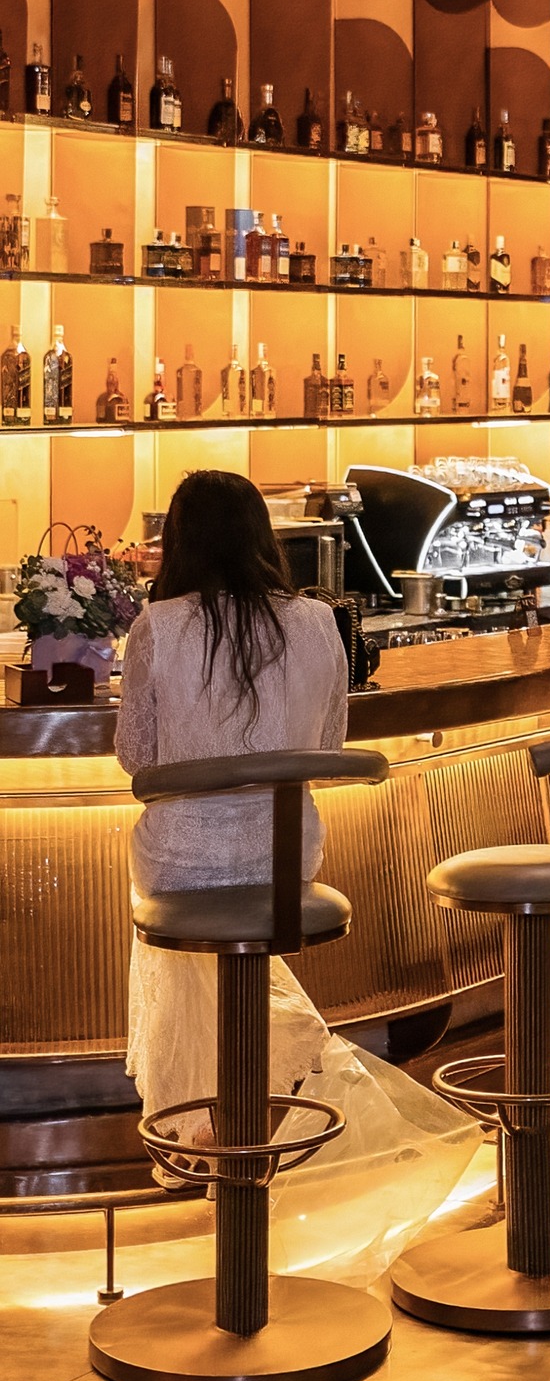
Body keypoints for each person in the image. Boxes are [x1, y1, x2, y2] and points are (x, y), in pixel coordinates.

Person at [116, 470, 347, 1160]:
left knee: (180, 935)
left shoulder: (158, 626)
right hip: (285, 855)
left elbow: (136, 759)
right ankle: (250, 1119)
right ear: (262, 537)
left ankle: (216, 1131)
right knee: (234, 965)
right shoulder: (318, 621)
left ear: (179, 541)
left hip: (181, 861)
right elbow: (329, 747)